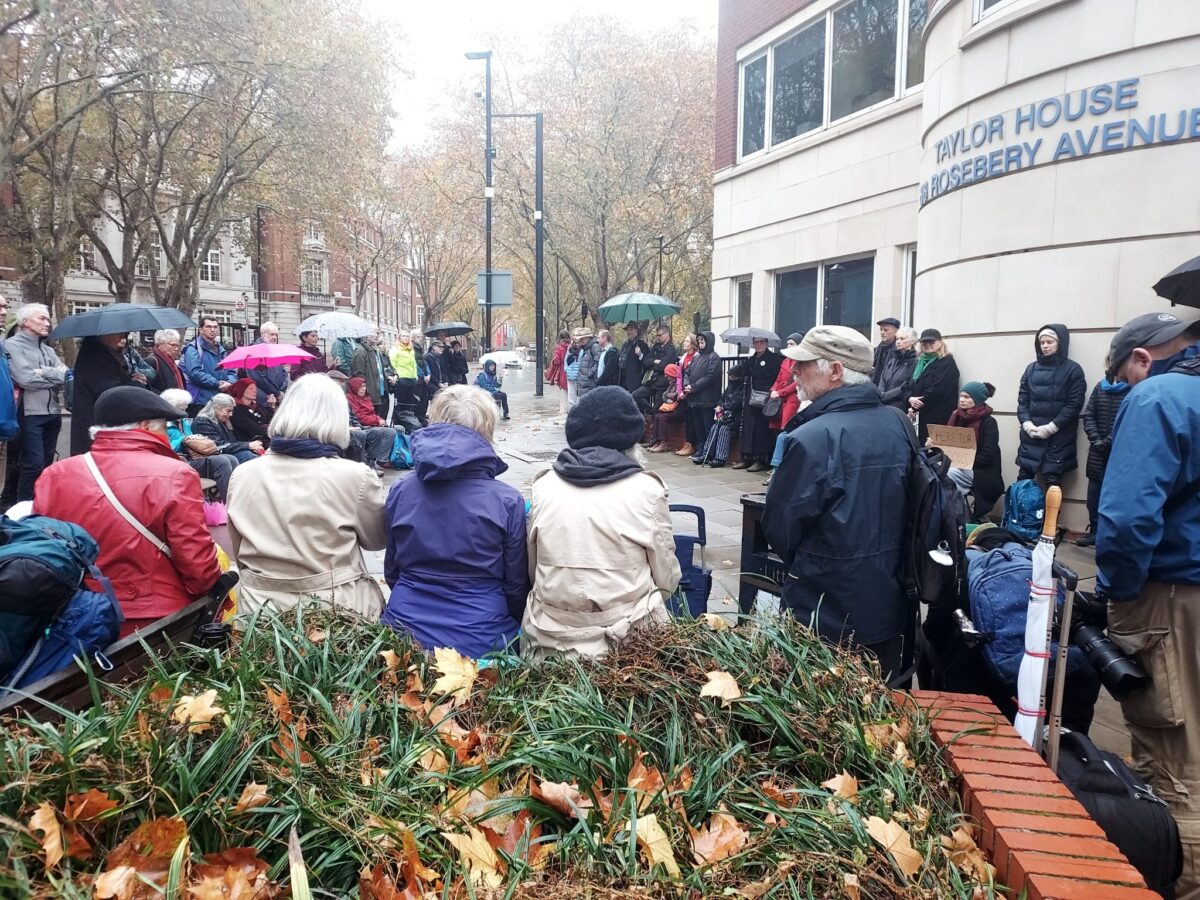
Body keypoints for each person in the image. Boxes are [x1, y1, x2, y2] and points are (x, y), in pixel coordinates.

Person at [1095, 311, 1200, 898]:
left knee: (1175, 759)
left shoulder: (1160, 396)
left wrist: (1119, 590)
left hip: (1173, 594)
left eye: (1121, 380)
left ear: (1142, 358)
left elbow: (1129, 519)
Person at [762, 326, 915, 685]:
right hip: (889, 606)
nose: (795, 372)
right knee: (883, 716)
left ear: (835, 371)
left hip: (824, 610)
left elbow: (780, 528)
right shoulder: (899, 424)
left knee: (819, 720)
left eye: (804, 364)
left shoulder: (811, 437)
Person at [33, 386, 223, 636]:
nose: (166, 434)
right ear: (146, 426)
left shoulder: (54, 474)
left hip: (78, 614)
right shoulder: (175, 474)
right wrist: (216, 593)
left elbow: (45, 547)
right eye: (164, 427)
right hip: (154, 617)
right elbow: (195, 561)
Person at [523, 386, 681, 659]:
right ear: (631, 440)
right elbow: (667, 581)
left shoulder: (543, 486)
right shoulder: (648, 490)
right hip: (630, 650)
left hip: (548, 644)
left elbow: (533, 571)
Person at [381, 385, 527, 657]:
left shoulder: (401, 490)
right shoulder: (506, 501)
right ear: (487, 431)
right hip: (482, 638)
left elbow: (392, 568)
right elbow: (515, 584)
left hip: (404, 634)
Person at [226, 374, 386, 618]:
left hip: (260, 611)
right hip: (336, 612)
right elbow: (376, 541)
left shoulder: (242, 474)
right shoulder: (355, 476)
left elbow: (239, 551)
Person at [6, 303, 68, 500]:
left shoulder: (47, 349)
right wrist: (53, 375)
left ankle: (40, 505)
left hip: (52, 413)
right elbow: (26, 380)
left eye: (48, 318)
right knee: (32, 465)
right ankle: (24, 511)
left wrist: (44, 372)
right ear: (24, 322)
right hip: (29, 414)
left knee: (46, 466)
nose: (47, 323)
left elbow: (67, 375)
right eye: (42, 318)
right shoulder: (11, 345)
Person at [1015, 324, 1086, 487]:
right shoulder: (1031, 369)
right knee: (1022, 483)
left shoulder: (1073, 370)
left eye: (1050, 342)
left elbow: (1074, 404)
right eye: (1042, 343)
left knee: (1053, 485)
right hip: (1030, 436)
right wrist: (1027, 424)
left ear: (1060, 343)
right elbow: (1023, 400)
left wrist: (1051, 427)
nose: (1045, 346)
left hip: (1058, 439)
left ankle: (1050, 515)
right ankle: (1019, 514)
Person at [1078, 366, 1131, 547]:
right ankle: (1094, 531)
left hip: (1119, 451)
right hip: (1097, 451)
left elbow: (1128, 420)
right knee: (1094, 495)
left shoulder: (1133, 388)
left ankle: (1112, 536)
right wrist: (1095, 439)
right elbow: (1089, 414)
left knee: (1117, 496)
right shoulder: (1101, 387)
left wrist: (1107, 441)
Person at [161, 388, 239, 503]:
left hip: (192, 458)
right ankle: (230, 504)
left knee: (231, 458)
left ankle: (236, 499)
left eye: (185, 408)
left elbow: (193, 440)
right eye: (181, 409)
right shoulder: (163, 426)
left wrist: (197, 440)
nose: (184, 412)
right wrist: (182, 440)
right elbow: (167, 448)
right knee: (221, 461)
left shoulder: (184, 422)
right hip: (177, 461)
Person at [942, 382, 1004, 521]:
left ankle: (956, 517)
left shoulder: (989, 422)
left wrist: (963, 460)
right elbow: (948, 447)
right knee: (935, 470)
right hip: (957, 465)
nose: (962, 400)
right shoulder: (956, 417)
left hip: (980, 471)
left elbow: (987, 456)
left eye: (967, 397)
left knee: (947, 475)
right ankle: (949, 514)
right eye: (961, 396)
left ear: (977, 399)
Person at [69, 333, 135, 455]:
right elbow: (111, 391)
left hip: (97, 423)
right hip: (95, 425)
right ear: (105, 335)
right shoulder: (95, 357)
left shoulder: (100, 353)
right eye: (120, 334)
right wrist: (134, 384)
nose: (122, 338)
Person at [731, 336, 781, 473]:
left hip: (764, 397)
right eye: (756, 342)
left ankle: (761, 460)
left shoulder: (774, 359)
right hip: (750, 397)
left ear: (766, 343)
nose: (759, 344)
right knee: (748, 427)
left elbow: (777, 377)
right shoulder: (751, 360)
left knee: (761, 429)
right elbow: (743, 376)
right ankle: (747, 457)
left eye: (762, 342)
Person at [904, 328, 960, 444]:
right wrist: (910, 399)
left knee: (932, 454)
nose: (927, 345)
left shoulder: (947, 362)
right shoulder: (918, 362)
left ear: (940, 343)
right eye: (924, 342)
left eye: (931, 342)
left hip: (936, 418)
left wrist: (915, 406)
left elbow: (938, 390)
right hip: (918, 416)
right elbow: (906, 385)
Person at [680, 331, 720, 458]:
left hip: (707, 400)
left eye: (703, 340)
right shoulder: (696, 357)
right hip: (694, 400)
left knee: (707, 427)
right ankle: (700, 449)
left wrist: (694, 387)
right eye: (700, 340)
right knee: (698, 428)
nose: (701, 343)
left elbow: (710, 376)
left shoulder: (714, 357)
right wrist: (687, 385)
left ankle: (709, 452)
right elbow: (687, 372)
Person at [191, 393, 262, 463]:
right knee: (247, 456)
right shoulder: (202, 422)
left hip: (223, 455)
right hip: (211, 457)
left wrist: (251, 446)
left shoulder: (220, 420)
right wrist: (248, 445)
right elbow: (218, 446)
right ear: (216, 408)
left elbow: (232, 442)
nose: (231, 414)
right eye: (228, 411)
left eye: (231, 411)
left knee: (251, 454)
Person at [696, 366, 744, 468]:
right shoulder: (730, 387)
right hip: (724, 416)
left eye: (733, 376)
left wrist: (724, 407)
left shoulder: (743, 388)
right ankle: (707, 454)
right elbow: (722, 398)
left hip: (736, 419)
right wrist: (719, 405)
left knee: (723, 430)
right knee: (714, 427)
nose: (731, 378)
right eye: (730, 376)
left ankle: (720, 458)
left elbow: (738, 403)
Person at [180, 316, 230, 411]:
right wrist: (217, 383)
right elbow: (195, 373)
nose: (212, 330)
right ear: (201, 330)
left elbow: (231, 369)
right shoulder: (193, 348)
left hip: (220, 399)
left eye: (215, 327)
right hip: (201, 400)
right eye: (208, 327)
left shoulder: (221, 349)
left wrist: (230, 382)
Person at [632, 325, 678, 415]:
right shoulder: (656, 346)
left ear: (667, 333)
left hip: (662, 384)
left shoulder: (671, 349)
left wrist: (652, 363)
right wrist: (655, 361)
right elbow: (646, 361)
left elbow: (663, 366)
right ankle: (649, 410)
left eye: (660, 335)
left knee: (657, 410)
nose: (658, 337)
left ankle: (654, 421)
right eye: (657, 335)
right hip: (651, 381)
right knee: (635, 395)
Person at [350, 331, 396, 420]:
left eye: (378, 333)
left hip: (381, 393)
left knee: (383, 420)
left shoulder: (376, 351)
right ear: (366, 334)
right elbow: (358, 376)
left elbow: (380, 372)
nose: (376, 335)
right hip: (370, 396)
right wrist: (364, 393)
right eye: (373, 332)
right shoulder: (360, 351)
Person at [645, 362, 687, 453]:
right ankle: (657, 440)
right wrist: (669, 398)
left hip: (678, 410)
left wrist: (669, 397)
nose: (667, 377)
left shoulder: (679, 384)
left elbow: (675, 396)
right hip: (670, 408)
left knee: (663, 418)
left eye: (668, 375)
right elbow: (664, 395)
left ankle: (664, 443)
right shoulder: (671, 384)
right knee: (657, 416)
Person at [249, 321, 288, 412]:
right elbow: (258, 378)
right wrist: (275, 394)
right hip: (263, 400)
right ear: (262, 334)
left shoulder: (274, 350)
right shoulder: (255, 351)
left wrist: (281, 390)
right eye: (271, 334)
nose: (274, 337)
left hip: (276, 397)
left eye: (276, 335)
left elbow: (284, 373)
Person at [877, 327, 918, 410]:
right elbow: (882, 383)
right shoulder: (892, 361)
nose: (898, 342)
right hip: (884, 407)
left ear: (912, 341)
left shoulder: (915, 362)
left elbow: (906, 388)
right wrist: (882, 395)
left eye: (902, 339)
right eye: (897, 339)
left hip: (901, 409)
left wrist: (885, 396)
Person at [228, 378, 270, 447]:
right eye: (251, 389)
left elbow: (267, 418)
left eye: (255, 388)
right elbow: (251, 428)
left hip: (264, 438)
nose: (255, 391)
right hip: (249, 442)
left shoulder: (256, 405)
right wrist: (267, 429)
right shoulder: (235, 408)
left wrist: (271, 406)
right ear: (241, 390)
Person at [618, 322, 650, 394]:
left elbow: (647, 362)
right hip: (623, 379)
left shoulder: (642, 345)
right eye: (628, 330)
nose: (629, 332)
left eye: (631, 329)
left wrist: (640, 355)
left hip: (635, 381)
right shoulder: (624, 345)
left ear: (636, 331)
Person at [545, 330, 571, 415]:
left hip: (562, 370)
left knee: (563, 390)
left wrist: (552, 364)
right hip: (572, 369)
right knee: (570, 389)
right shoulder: (571, 346)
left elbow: (557, 361)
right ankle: (570, 408)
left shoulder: (559, 347)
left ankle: (563, 410)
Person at [574, 326, 602, 399]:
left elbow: (597, 362)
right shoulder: (586, 349)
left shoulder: (594, 347)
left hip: (589, 384)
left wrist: (590, 375)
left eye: (582, 338)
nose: (581, 341)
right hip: (584, 384)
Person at [872, 316, 900, 385]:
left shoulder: (899, 352)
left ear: (896, 332)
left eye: (886, 330)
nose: (882, 332)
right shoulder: (876, 350)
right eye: (881, 329)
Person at [564, 332, 584, 409]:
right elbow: (566, 360)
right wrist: (566, 369)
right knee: (571, 398)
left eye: (577, 335)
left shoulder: (582, 349)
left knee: (578, 398)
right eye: (574, 335)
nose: (575, 337)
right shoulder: (570, 349)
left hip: (578, 376)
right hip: (570, 375)